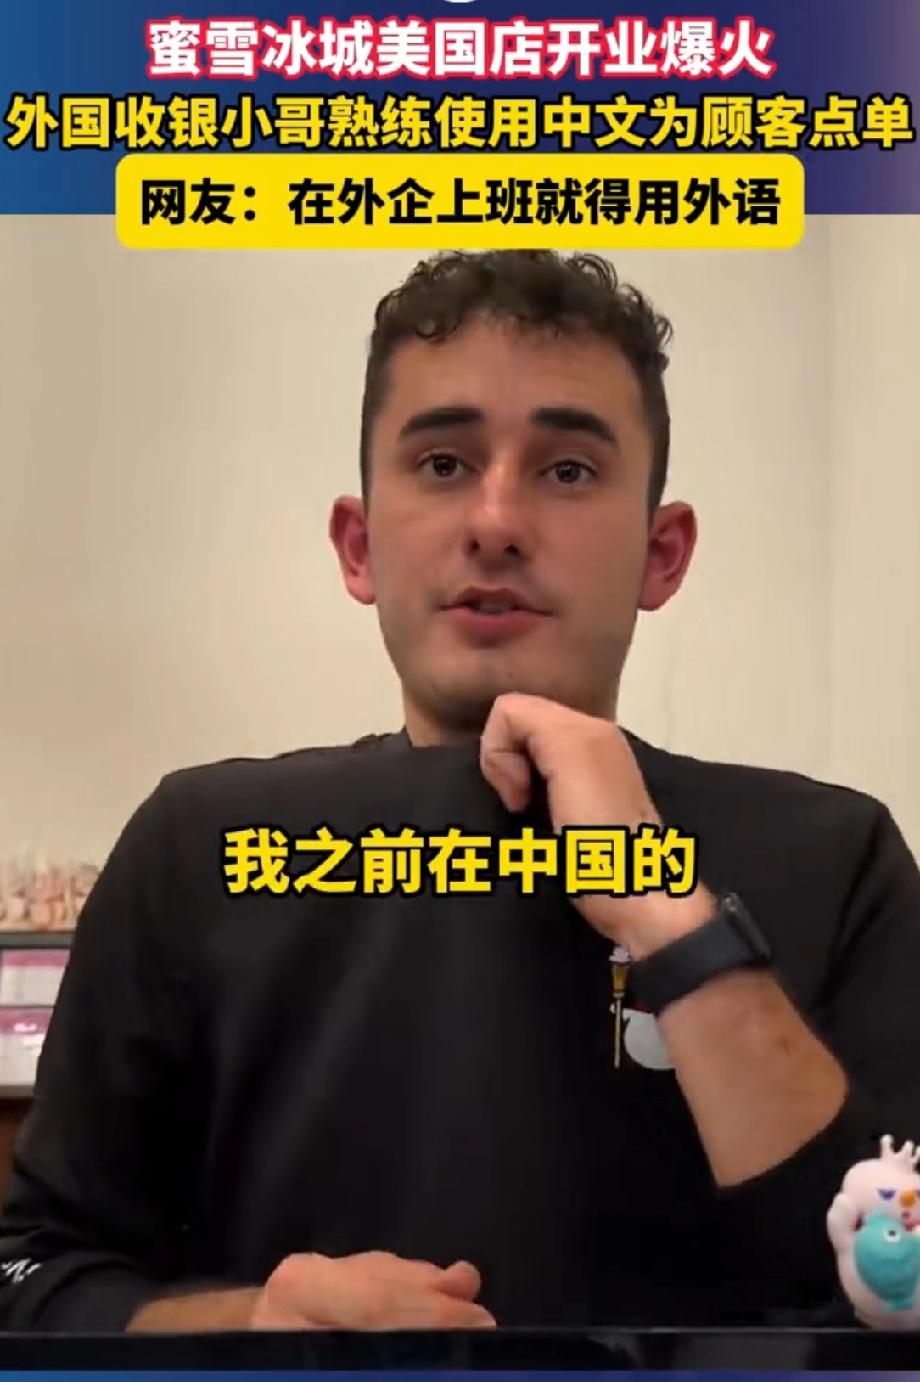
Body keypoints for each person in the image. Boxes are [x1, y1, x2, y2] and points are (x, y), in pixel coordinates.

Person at [1, 250, 918, 1334]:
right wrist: (253, 1328)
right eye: (442, 463)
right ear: (359, 547)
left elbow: (894, 1290)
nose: (495, 520)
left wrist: (668, 913)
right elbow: (36, 1278)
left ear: (660, 554)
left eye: (567, 470)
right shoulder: (197, 847)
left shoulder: (833, 855)